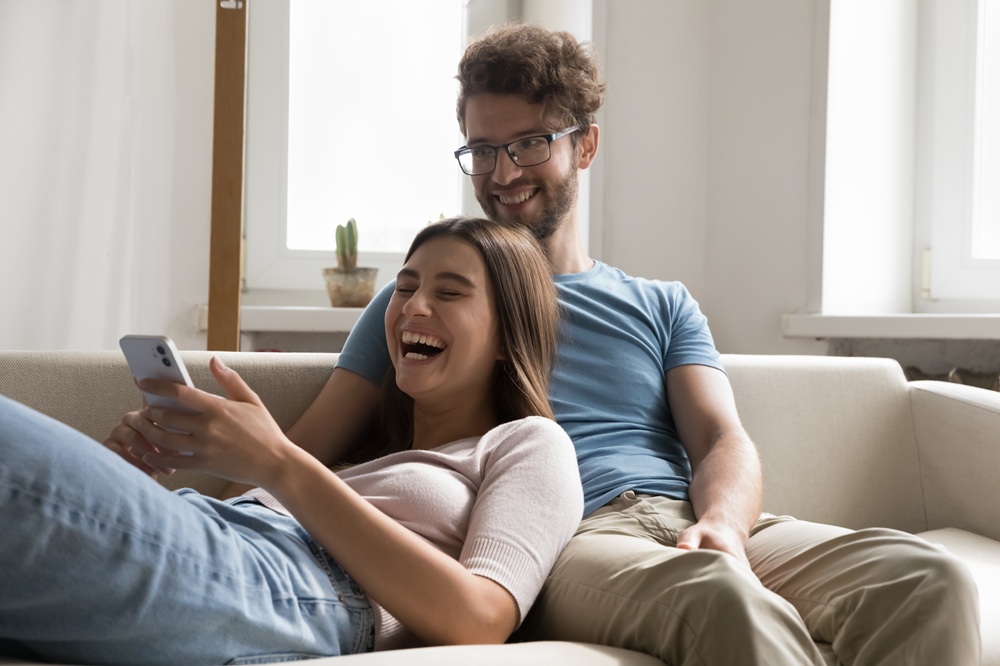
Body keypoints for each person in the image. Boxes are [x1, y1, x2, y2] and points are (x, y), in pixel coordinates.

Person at [252, 22, 981, 665]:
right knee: (717, 596)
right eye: (483, 149)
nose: (503, 173)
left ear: (586, 145)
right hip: (567, 540)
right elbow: (300, 452)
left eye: (529, 144)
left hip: (689, 520)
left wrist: (724, 526)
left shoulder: (662, 304)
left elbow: (721, 440)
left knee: (929, 580)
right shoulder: (423, 304)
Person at [0, 216, 583, 665]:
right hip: (221, 545)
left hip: (297, 586)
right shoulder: (369, 453)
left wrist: (281, 462)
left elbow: (479, 620)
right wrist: (124, 477)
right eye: (405, 287)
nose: (414, 306)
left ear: (507, 336)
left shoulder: (532, 443)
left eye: (450, 293)